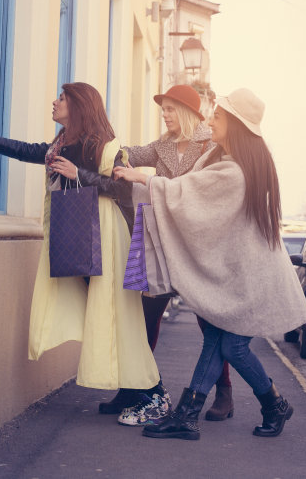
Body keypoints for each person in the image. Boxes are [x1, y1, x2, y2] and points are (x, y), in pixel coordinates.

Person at [114, 88, 306, 440]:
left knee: (230, 346)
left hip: (249, 279)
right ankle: (190, 415)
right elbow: (192, 187)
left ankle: (273, 404)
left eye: (218, 116)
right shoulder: (226, 160)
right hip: (243, 275)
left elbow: (190, 191)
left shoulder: (236, 171)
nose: (209, 119)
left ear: (234, 125)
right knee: (217, 343)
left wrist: (142, 178)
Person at [0, 82, 164, 402]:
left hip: (105, 237)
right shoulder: (63, 143)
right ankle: (127, 391)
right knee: (104, 313)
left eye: (62, 98)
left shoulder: (108, 145)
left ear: (79, 106)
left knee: (117, 313)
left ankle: (151, 390)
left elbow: (124, 190)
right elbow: (28, 150)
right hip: (77, 237)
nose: (54, 102)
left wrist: (77, 174)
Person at [101, 84, 234, 426]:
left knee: (210, 322)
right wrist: (103, 147)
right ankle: (134, 388)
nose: (165, 113)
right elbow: (130, 153)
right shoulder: (161, 145)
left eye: (171, 108)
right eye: (163, 109)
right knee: (145, 318)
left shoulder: (211, 144)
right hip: (161, 244)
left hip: (196, 246)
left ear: (188, 112)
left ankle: (224, 391)